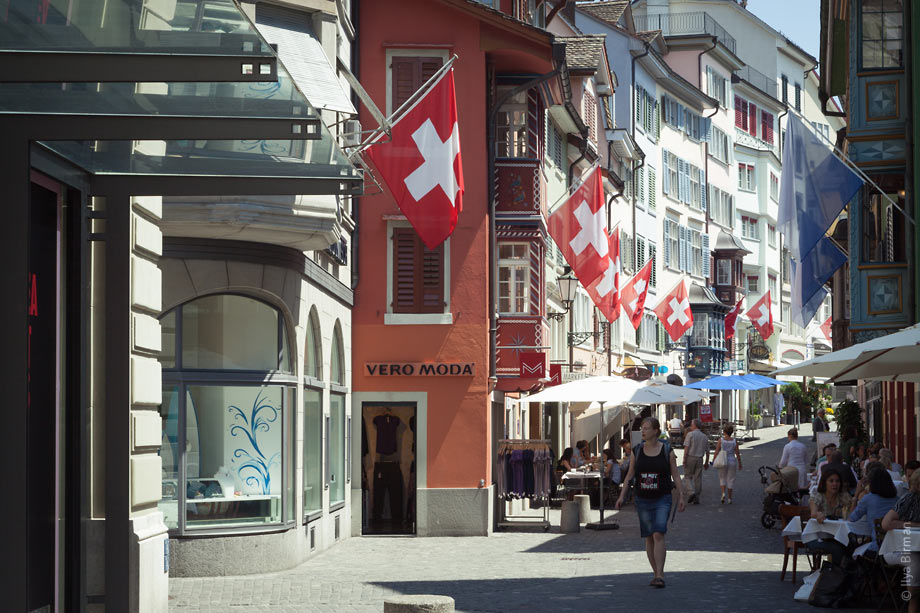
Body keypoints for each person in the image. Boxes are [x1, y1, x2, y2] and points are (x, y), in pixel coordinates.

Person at [615, 417, 686, 589]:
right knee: (649, 536)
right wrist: (621, 496)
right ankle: (655, 573)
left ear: (656, 431)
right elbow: (630, 475)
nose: (643, 431)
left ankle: (660, 574)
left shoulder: (667, 450)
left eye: (646, 428)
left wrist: (682, 496)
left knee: (658, 533)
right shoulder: (637, 451)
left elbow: (676, 475)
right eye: (642, 428)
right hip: (642, 499)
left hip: (662, 497)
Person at [882, 470, 920, 613]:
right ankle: (913, 602)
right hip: (898, 549)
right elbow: (886, 524)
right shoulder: (909, 499)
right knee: (915, 560)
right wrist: (914, 525)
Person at [806, 468, 853, 566]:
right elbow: (813, 513)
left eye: (837, 481)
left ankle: (848, 574)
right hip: (818, 537)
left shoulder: (843, 496)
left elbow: (852, 512)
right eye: (831, 481)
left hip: (836, 536)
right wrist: (818, 514)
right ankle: (835, 574)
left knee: (852, 544)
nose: (835, 484)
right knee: (837, 548)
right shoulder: (819, 496)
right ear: (825, 483)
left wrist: (856, 497)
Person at [848, 467, 898, 553]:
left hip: (877, 547)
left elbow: (852, 518)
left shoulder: (868, 499)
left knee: (853, 549)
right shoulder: (898, 500)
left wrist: (856, 494)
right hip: (897, 546)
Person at [682, 418, 710, 505]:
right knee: (698, 478)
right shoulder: (704, 436)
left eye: (691, 424)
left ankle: (691, 493)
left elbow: (686, 447)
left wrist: (684, 458)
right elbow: (708, 451)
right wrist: (706, 462)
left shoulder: (690, 434)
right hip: (700, 459)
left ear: (694, 425)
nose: (690, 426)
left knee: (687, 476)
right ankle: (697, 497)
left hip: (691, 457)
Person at [713, 423, 742, 504]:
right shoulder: (734, 441)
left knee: (722, 478)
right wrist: (740, 463)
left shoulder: (721, 440)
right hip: (732, 461)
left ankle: (723, 493)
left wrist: (714, 460)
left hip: (723, 461)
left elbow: (716, 451)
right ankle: (729, 498)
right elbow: (737, 453)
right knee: (730, 479)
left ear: (724, 432)